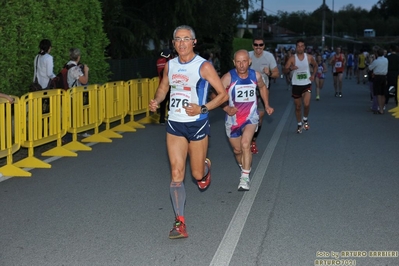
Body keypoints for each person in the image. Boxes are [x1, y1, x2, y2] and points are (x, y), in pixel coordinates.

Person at [148, 25, 228, 239]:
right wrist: (157, 100)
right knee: (176, 174)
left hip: (197, 123)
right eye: (178, 39)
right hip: (175, 123)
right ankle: (179, 223)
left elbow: (222, 95)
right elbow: (164, 87)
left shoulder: (204, 66)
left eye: (186, 39)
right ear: (173, 43)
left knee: (197, 175)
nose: (182, 43)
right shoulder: (170, 65)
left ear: (194, 42)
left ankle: (205, 168)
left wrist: (203, 108)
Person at [218, 50, 273, 191]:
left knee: (245, 143)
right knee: (237, 150)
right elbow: (215, 94)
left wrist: (266, 104)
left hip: (250, 117)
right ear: (234, 63)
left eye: (244, 61)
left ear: (249, 61)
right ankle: (244, 167)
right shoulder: (228, 77)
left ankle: (244, 178)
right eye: (238, 62)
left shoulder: (256, 75)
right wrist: (226, 108)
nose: (241, 65)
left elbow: (262, 87)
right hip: (233, 119)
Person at [249, 37, 279, 154]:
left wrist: (270, 73)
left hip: (263, 88)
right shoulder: (248, 56)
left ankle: (253, 140)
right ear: (253, 46)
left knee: (260, 116)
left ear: (264, 46)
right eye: (256, 45)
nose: (258, 47)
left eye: (260, 45)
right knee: (247, 115)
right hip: (248, 90)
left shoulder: (269, 56)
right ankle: (246, 138)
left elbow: (277, 74)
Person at [284, 39, 317, 133]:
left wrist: (313, 75)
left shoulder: (309, 57)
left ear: (304, 47)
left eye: (302, 46)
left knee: (306, 104)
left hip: (306, 84)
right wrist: (290, 68)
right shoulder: (292, 58)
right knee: (298, 106)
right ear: (296, 47)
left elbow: (315, 65)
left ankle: (305, 118)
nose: (300, 48)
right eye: (298, 46)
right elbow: (284, 70)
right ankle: (299, 124)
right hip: (296, 85)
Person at [368, 48, 388, 114]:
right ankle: (382, 107)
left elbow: (370, 68)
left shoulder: (376, 61)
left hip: (377, 77)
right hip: (384, 76)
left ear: (377, 54)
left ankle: (380, 109)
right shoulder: (386, 60)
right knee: (383, 93)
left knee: (378, 93)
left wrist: (371, 60)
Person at [156, 48, 172, 124]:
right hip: (170, 85)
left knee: (163, 103)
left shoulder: (159, 61)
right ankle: (170, 117)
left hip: (161, 84)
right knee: (170, 102)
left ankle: (161, 119)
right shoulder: (170, 62)